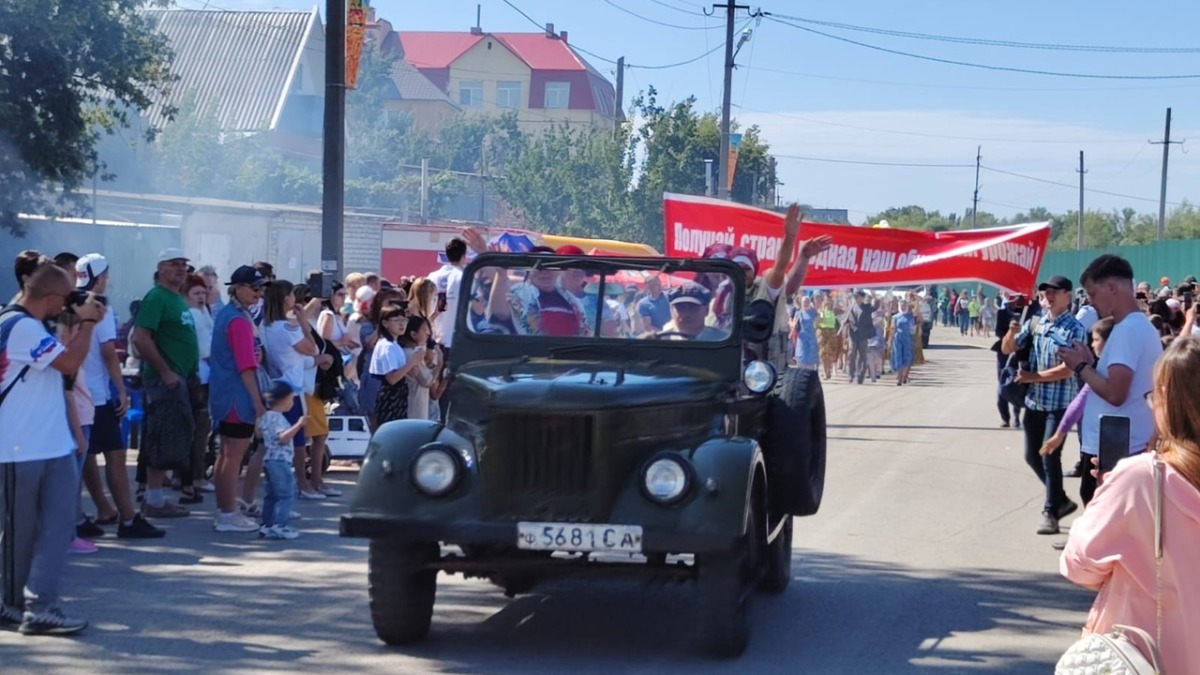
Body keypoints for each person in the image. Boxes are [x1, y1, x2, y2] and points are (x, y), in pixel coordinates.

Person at [1059, 336, 1200, 675]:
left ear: (1168, 400)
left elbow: (1079, 565)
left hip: (1146, 658)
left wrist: (1107, 496)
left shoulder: (1141, 479)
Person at [1, 262, 104, 635]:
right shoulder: (21, 327)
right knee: (21, 532)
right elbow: (70, 362)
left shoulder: (30, 325)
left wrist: (72, 323)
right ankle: (24, 605)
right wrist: (89, 323)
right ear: (53, 298)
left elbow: (57, 368)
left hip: (46, 444)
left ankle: (31, 605)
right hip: (19, 448)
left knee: (54, 529)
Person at [72, 254, 162, 538]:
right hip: (97, 393)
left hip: (72, 392)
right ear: (100, 277)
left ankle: (95, 511)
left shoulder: (66, 303)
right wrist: (121, 390)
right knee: (115, 455)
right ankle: (127, 518)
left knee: (84, 453)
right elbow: (109, 353)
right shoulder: (101, 308)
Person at [1002, 275, 1087, 535]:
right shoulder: (1036, 321)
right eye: (1045, 292)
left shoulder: (1075, 328)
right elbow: (1008, 349)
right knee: (1032, 455)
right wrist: (1012, 332)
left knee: (1050, 456)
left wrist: (1033, 377)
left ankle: (1050, 511)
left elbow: (1068, 369)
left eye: (1055, 292)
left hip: (1060, 404)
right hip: (1035, 402)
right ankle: (1060, 500)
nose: (1048, 296)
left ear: (1067, 295)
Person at [1059, 254, 1163, 463]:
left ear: (1112, 288)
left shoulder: (1127, 330)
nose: (1091, 301)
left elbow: (1116, 394)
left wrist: (1080, 366)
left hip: (1116, 448)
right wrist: (1091, 364)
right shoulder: (1137, 326)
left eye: (1093, 294)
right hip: (1122, 443)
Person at [131, 249, 199, 520]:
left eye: (184, 264)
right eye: (174, 264)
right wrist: (166, 371)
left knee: (173, 437)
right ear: (160, 269)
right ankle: (154, 501)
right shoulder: (157, 297)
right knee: (162, 437)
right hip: (165, 380)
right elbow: (141, 337)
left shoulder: (176, 299)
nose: (181, 269)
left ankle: (157, 498)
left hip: (179, 378)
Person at [208, 265, 269, 533]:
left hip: (224, 393)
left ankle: (226, 510)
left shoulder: (228, 314)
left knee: (226, 455)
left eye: (261, 288)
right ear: (238, 288)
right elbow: (246, 366)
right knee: (233, 456)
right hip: (237, 397)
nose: (259, 293)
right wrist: (258, 403)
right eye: (254, 288)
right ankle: (227, 514)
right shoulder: (238, 320)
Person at [261, 280, 330, 501]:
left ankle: (289, 485)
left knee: (273, 442)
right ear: (286, 299)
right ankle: (303, 484)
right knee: (298, 440)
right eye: (291, 295)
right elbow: (312, 348)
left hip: (275, 381)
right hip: (292, 387)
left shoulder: (264, 325)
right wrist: (302, 320)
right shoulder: (288, 327)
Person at [1040, 317, 1114, 507]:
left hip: (1104, 446)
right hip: (1094, 444)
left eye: (1096, 340)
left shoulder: (1108, 370)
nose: (1092, 344)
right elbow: (1080, 402)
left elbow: (1079, 401)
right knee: (1090, 493)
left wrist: (1059, 434)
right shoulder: (1101, 367)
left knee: (1093, 494)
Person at [256, 381, 307, 541]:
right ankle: (280, 525)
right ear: (283, 400)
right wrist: (298, 425)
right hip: (280, 460)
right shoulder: (278, 419)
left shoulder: (265, 416)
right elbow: (283, 438)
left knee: (270, 495)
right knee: (286, 494)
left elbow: (259, 435)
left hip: (269, 459)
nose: (292, 403)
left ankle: (267, 525)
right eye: (291, 399)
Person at [180, 273, 214, 504]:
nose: (201, 297)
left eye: (203, 293)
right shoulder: (192, 315)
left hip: (204, 376)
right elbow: (204, 348)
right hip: (198, 377)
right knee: (199, 430)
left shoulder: (204, 313)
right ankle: (196, 476)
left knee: (199, 429)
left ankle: (186, 475)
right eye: (196, 293)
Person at [369, 305, 424, 425]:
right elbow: (392, 378)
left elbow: (402, 371)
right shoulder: (386, 346)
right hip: (388, 396)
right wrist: (412, 362)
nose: (402, 324)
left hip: (398, 396)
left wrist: (411, 369)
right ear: (385, 323)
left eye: (404, 320)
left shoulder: (395, 345)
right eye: (396, 320)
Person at [658, 283, 728, 341]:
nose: (686, 313)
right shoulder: (660, 341)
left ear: (706, 310)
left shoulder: (723, 341)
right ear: (671, 310)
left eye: (693, 307)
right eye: (681, 307)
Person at [847, 290, 875, 384]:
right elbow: (846, 319)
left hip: (863, 334)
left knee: (862, 356)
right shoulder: (850, 307)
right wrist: (844, 322)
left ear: (862, 298)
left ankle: (860, 376)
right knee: (851, 354)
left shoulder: (867, 307)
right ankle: (851, 375)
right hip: (853, 334)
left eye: (857, 296)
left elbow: (876, 306)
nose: (855, 298)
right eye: (855, 297)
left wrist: (874, 296)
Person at [890, 300, 915, 385]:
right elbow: (893, 328)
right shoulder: (895, 317)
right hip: (898, 339)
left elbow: (913, 330)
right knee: (898, 357)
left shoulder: (910, 317)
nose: (903, 306)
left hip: (907, 339)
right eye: (901, 305)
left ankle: (905, 376)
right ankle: (899, 378)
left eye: (904, 305)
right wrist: (890, 340)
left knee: (907, 357)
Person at [791, 295, 819, 370]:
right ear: (801, 303)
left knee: (810, 359)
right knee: (801, 357)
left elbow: (819, 321)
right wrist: (793, 325)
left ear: (809, 302)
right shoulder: (798, 313)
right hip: (802, 337)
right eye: (803, 302)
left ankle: (811, 376)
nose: (805, 303)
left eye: (807, 302)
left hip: (811, 337)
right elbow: (793, 323)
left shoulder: (813, 312)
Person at [816, 294, 839, 380]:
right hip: (823, 333)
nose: (827, 302)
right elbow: (821, 321)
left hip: (831, 333)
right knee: (823, 355)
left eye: (829, 300)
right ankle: (826, 372)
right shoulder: (821, 311)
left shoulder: (834, 311)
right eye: (826, 300)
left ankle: (829, 371)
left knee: (830, 355)